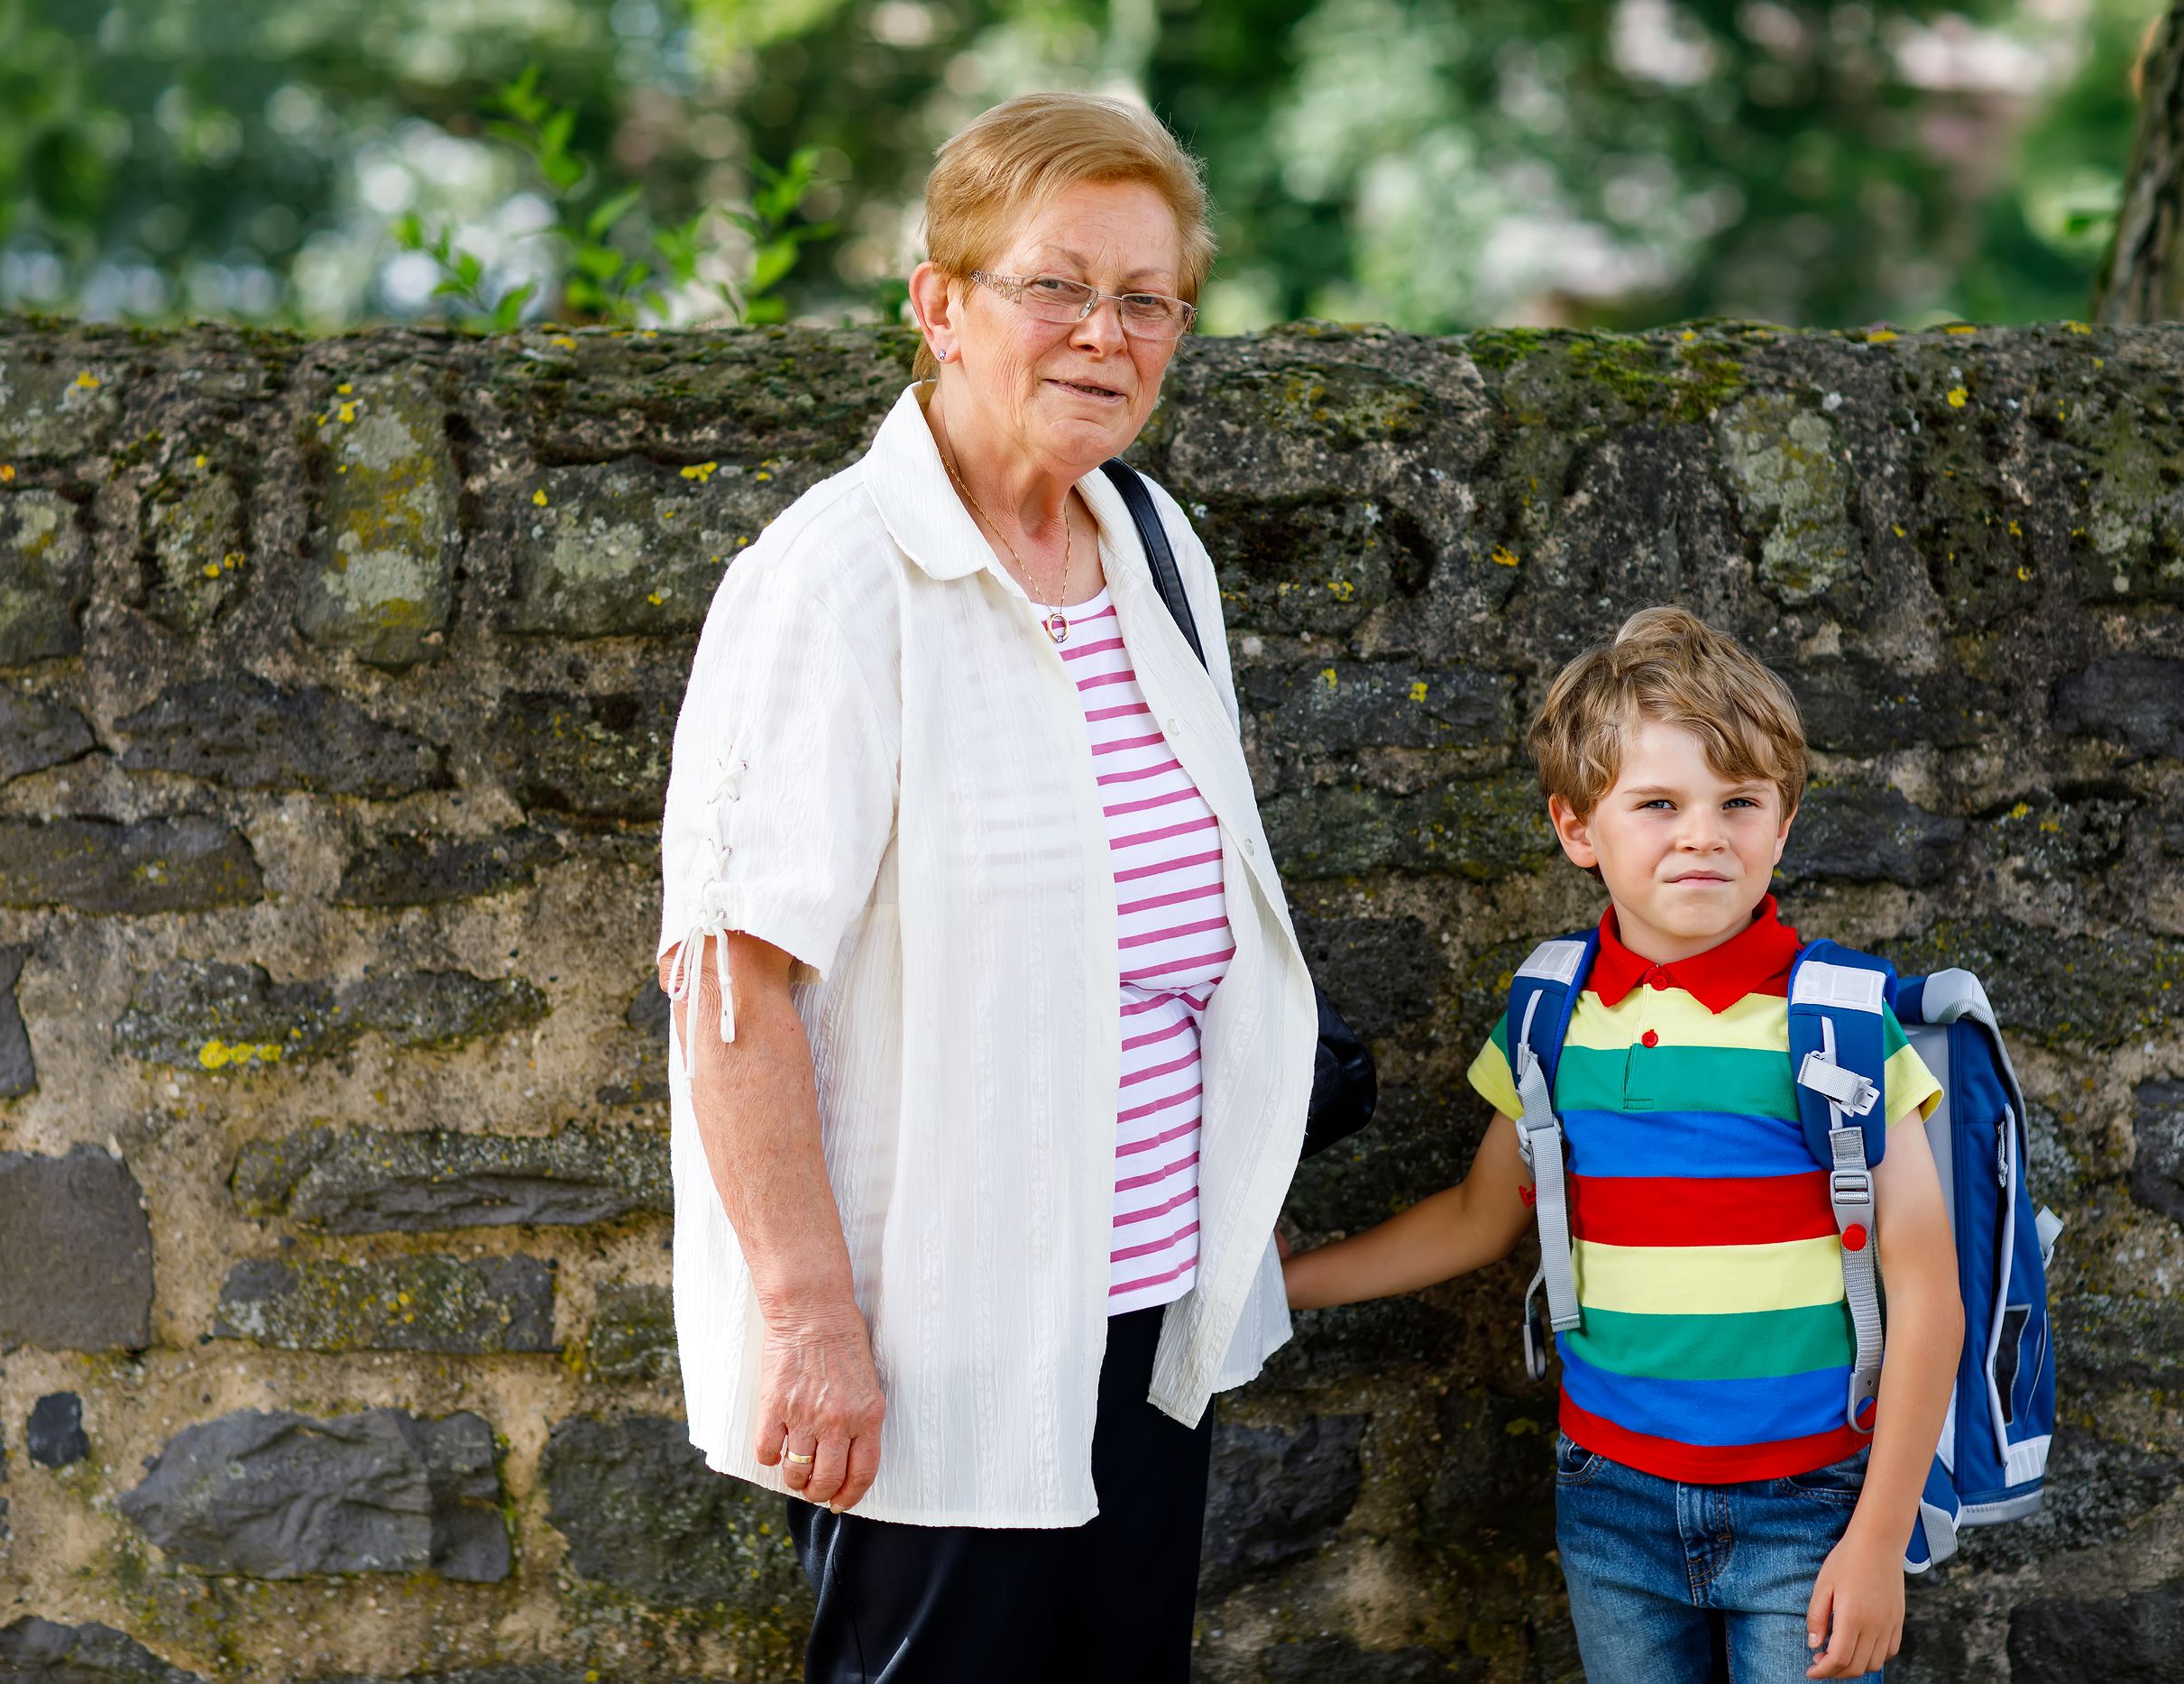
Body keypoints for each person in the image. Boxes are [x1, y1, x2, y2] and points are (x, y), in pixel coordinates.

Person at [656, 91, 1314, 1683]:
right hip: (936, 1343)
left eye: (1146, 299)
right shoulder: (831, 582)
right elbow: (734, 995)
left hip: (1145, 1314)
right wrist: (815, 1328)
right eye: (1056, 284)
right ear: (939, 304)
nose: (1106, 331)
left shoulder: (1151, 541)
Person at [1281, 607, 1960, 1683]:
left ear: (1782, 826)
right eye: (1658, 804)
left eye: (1739, 802)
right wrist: (1281, 1286)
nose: (1704, 834)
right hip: (1608, 1497)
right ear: (1576, 827)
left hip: (1810, 1507)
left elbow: (1927, 1291)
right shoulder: (1549, 1012)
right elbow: (1477, 1216)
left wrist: (1876, 1541)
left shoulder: (1836, 1020)